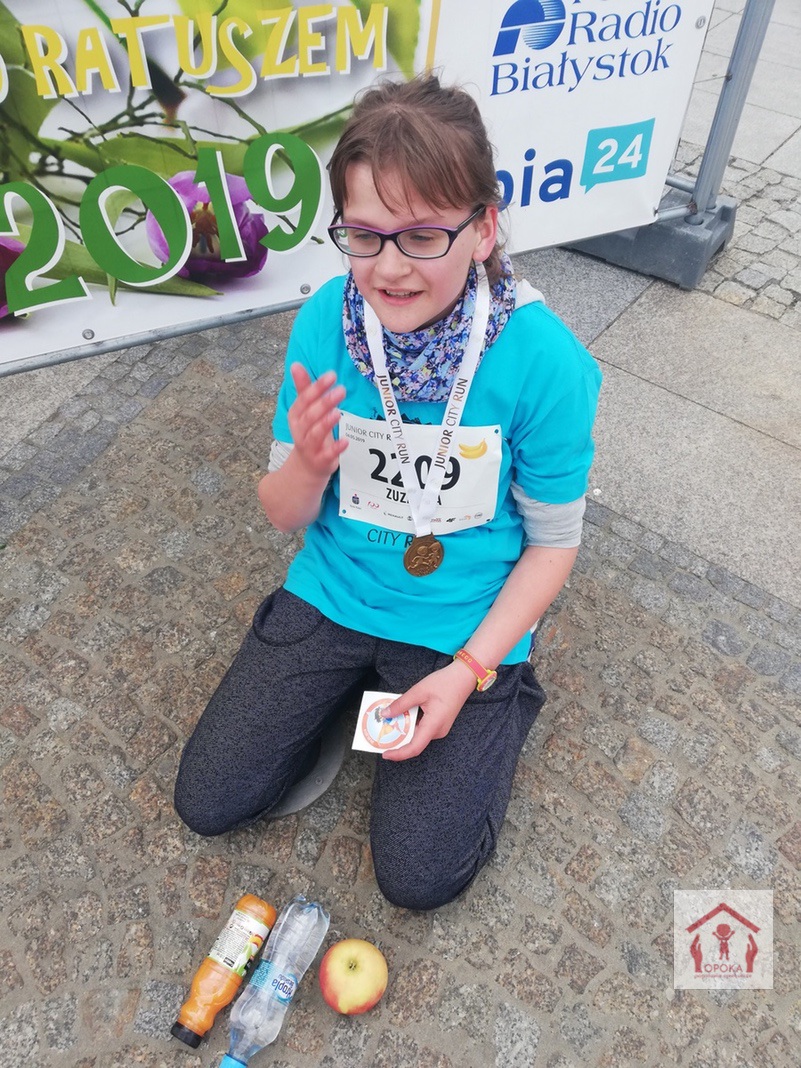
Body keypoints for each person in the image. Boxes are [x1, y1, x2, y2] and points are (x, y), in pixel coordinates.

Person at [174, 74, 601, 911]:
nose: (390, 268)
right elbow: (282, 514)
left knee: (419, 876)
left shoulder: (546, 361)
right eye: (363, 236)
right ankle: (342, 684)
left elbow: (554, 544)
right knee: (209, 802)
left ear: (483, 228)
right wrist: (306, 467)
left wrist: (470, 671)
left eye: (422, 236)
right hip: (335, 591)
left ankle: (497, 702)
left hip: (462, 621)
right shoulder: (326, 321)